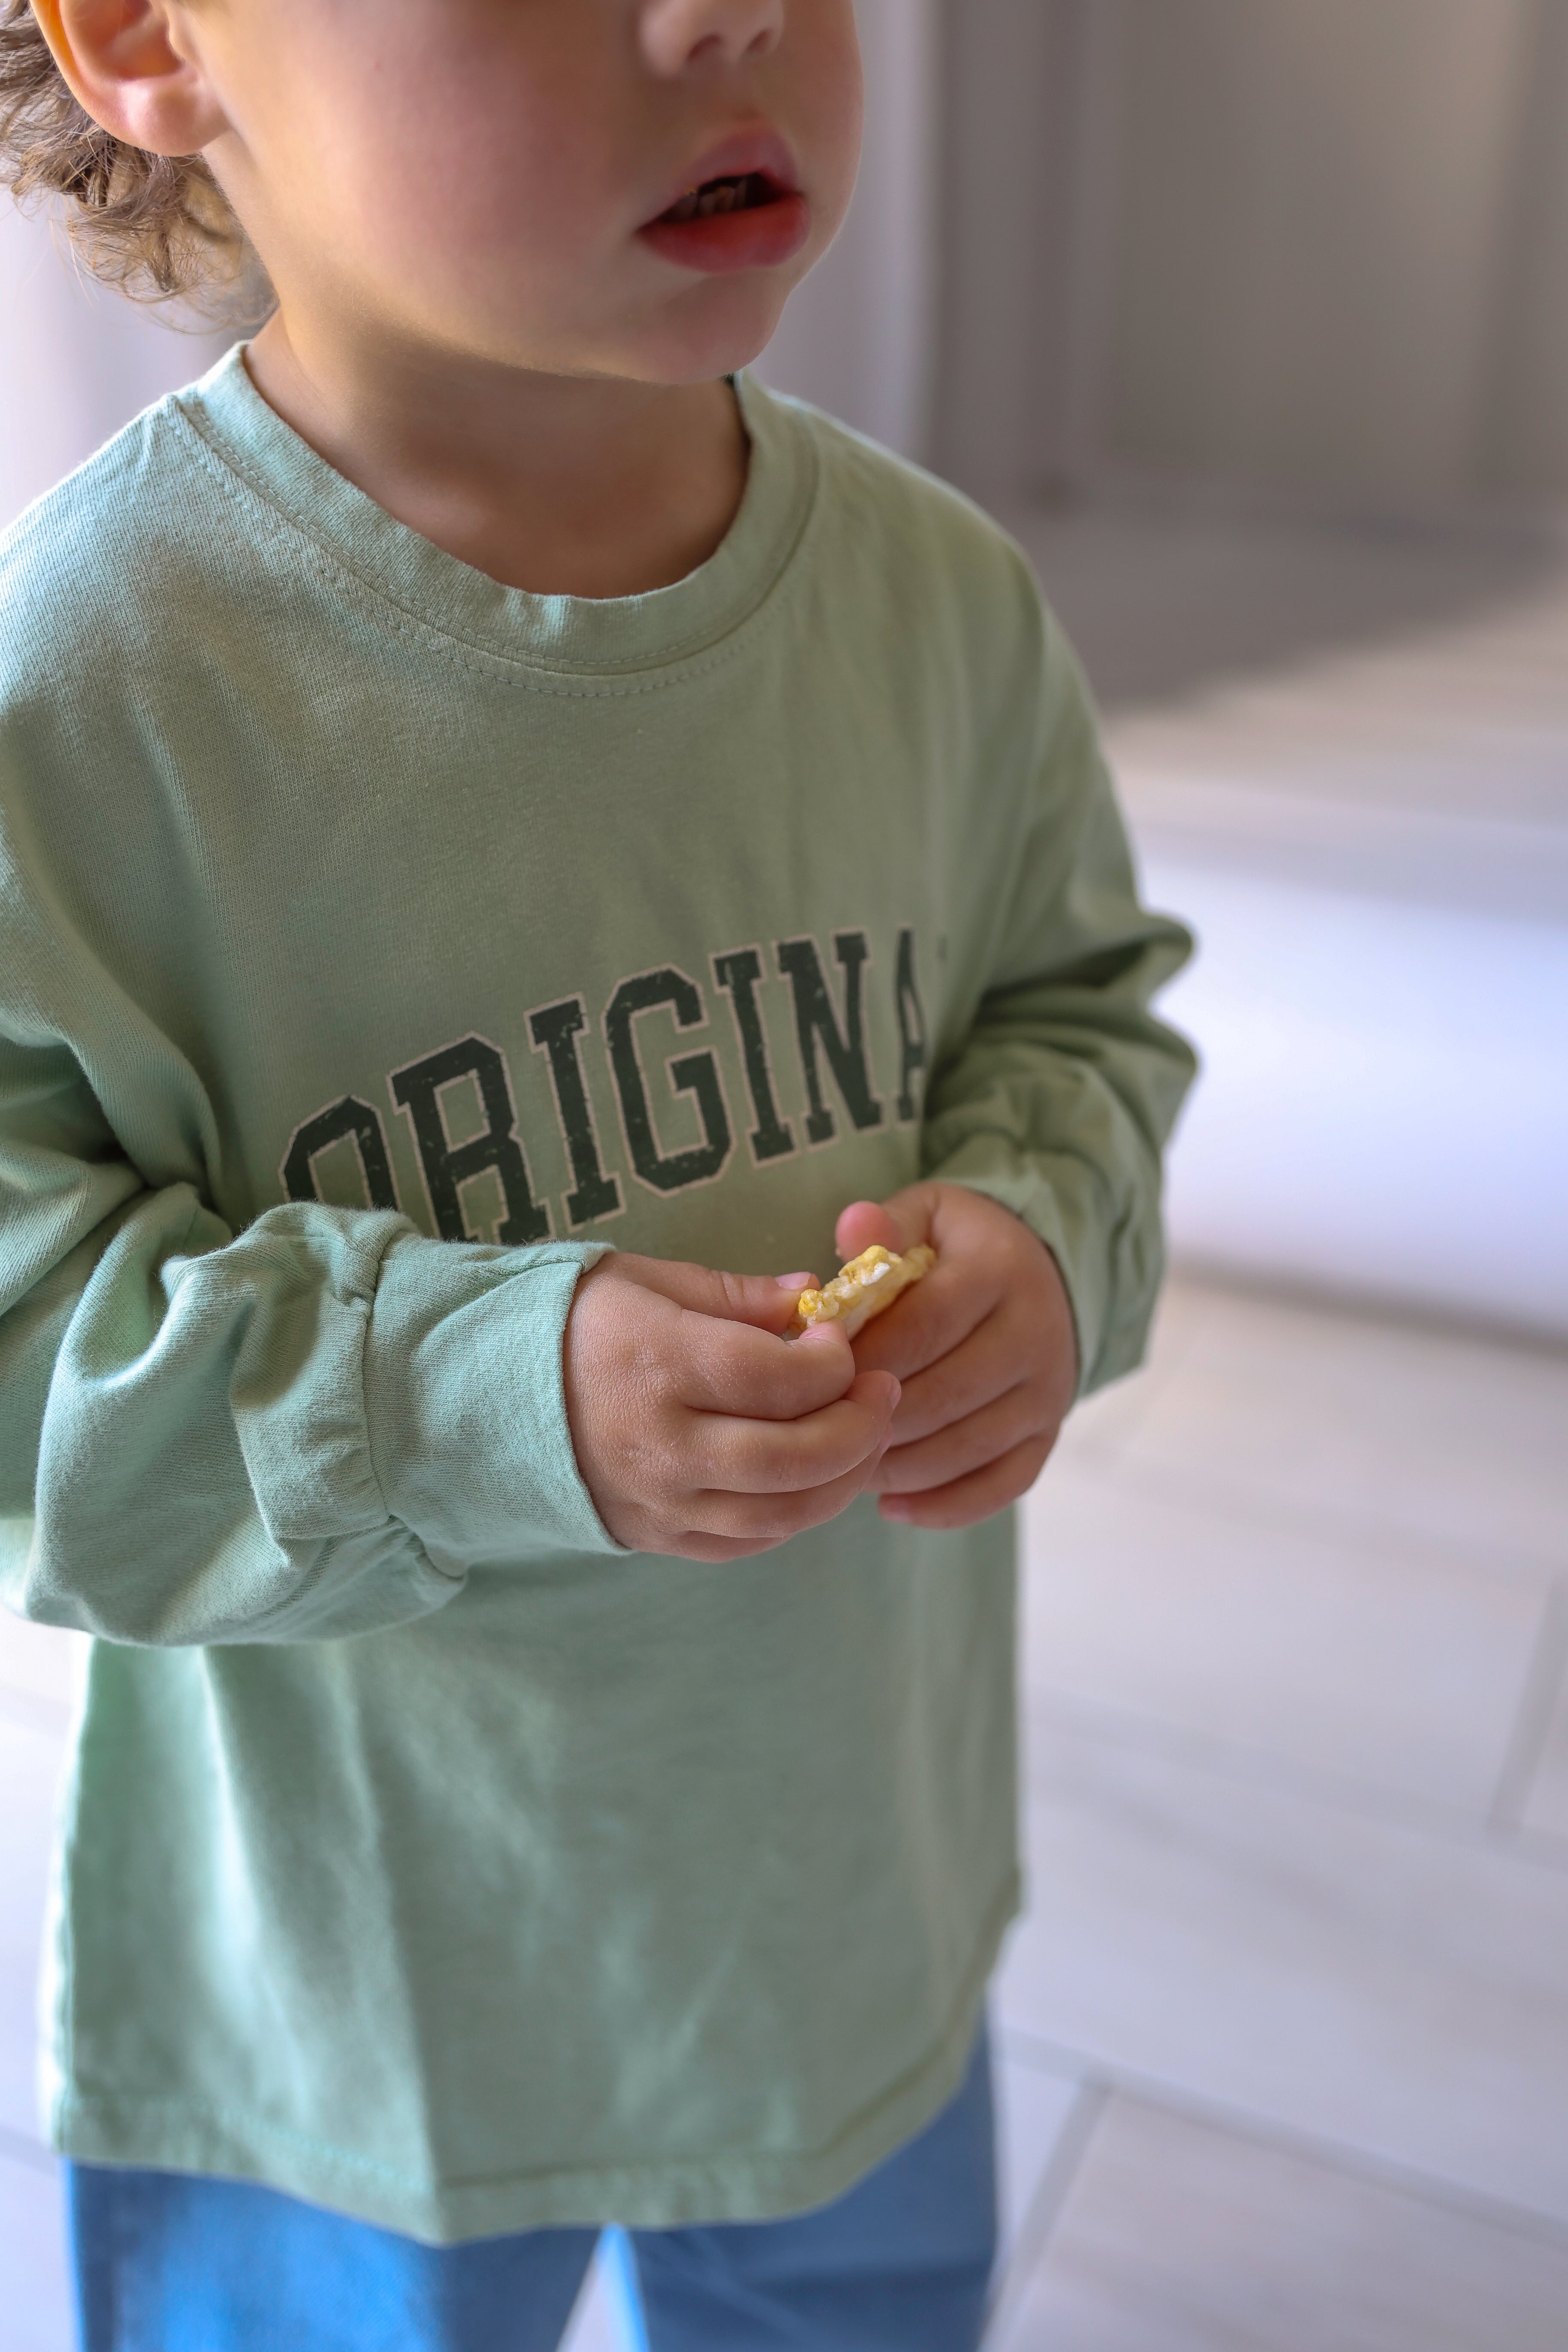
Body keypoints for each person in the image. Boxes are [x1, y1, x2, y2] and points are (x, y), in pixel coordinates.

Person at [0, 2, 1196, 2346]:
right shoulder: (83, 704)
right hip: (349, 2037)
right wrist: (472, 1397)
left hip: (841, 1932)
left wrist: (1044, 1237)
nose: (726, 12)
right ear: (148, 33)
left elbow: (1073, 1020)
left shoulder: (941, 606)